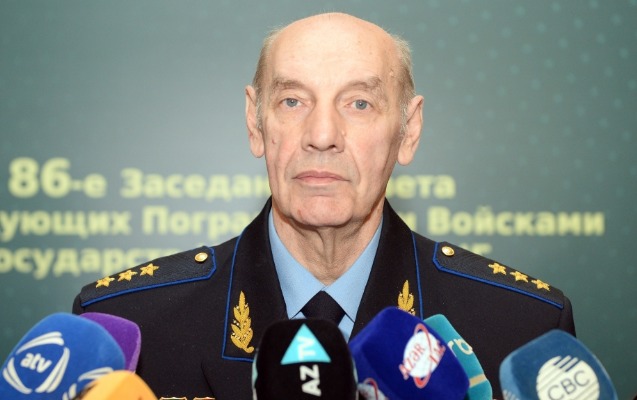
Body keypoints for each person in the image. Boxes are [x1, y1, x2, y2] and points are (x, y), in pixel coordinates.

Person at [73, 12, 575, 399]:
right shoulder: (127, 330)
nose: (322, 135)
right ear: (255, 123)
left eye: (359, 103)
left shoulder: (521, 328)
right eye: (292, 101)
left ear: (409, 131)